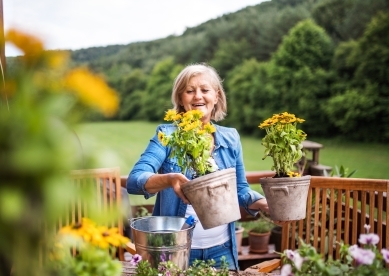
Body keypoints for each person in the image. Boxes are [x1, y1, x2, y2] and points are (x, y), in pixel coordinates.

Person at [127, 63, 269, 270]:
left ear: (217, 96)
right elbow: (134, 180)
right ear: (180, 99)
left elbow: (240, 189)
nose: (197, 96)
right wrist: (169, 179)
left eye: (205, 90)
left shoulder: (231, 138)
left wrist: (264, 203)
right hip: (177, 250)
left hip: (222, 249)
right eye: (189, 91)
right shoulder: (166, 135)